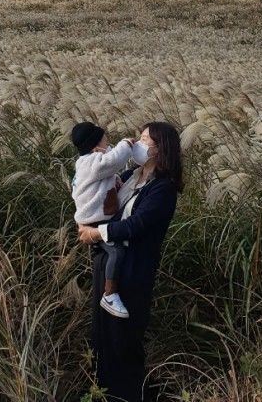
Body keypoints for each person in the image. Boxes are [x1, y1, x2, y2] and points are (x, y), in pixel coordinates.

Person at [77, 121, 184, 402]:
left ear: (161, 149)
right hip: (107, 262)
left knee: (123, 339)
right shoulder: (130, 174)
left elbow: (138, 224)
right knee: (102, 335)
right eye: (140, 137)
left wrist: (96, 232)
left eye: (146, 139)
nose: (138, 142)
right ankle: (103, 393)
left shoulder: (163, 189)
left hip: (133, 270)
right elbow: (99, 194)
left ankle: (127, 396)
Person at [70, 121, 135, 318]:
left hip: (96, 218)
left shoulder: (89, 163)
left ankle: (99, 247)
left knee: (110, 247)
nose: (109, 144)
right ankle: (110, 293)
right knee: (116, 251)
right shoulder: (92, 163)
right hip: (95, 221)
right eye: (105, 140)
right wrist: (126, 144)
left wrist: (114, 179)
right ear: (94, 144)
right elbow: (113, 161)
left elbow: (104, 174)